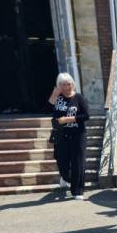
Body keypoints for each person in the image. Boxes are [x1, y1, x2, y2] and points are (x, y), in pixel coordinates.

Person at [48, 72, 89, 200]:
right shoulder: (57, 98)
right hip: (61, 135)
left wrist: (68, 119)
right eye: (64, 85)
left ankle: (77, 191)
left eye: (69, 84)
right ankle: (65, 177)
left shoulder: (79, 98)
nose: (67, 87)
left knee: (78, 162)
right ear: (59, 86)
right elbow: (48, 109)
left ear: (73, 84)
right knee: (62, 162)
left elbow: (86, 116)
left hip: (78, 134)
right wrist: (54, 95)